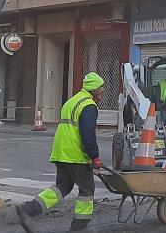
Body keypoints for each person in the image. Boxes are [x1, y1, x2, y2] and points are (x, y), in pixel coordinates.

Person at [16, 72, 105, 233]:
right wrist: (94, 156)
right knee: (87, 189)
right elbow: (87, 134)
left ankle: (29, 209)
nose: (102, 90)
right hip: (75, 154)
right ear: (94, 89)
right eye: (101, 88)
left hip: (61, 151)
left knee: (63, 186)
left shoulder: (72, 101)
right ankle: (79, 227)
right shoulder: (88, 106)